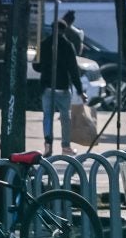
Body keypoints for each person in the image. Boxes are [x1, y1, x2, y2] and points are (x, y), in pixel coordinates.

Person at [38, 17, 89, 155]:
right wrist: (80, 91)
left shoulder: (44, 44)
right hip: (63, 88)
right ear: (64, 30)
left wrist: (45, 67)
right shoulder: (67, 46)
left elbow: (36, 66)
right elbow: (73, 70)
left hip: (47, 87)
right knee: (65, 117)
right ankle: (66, 146)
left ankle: (48, 144)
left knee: (47, 116)